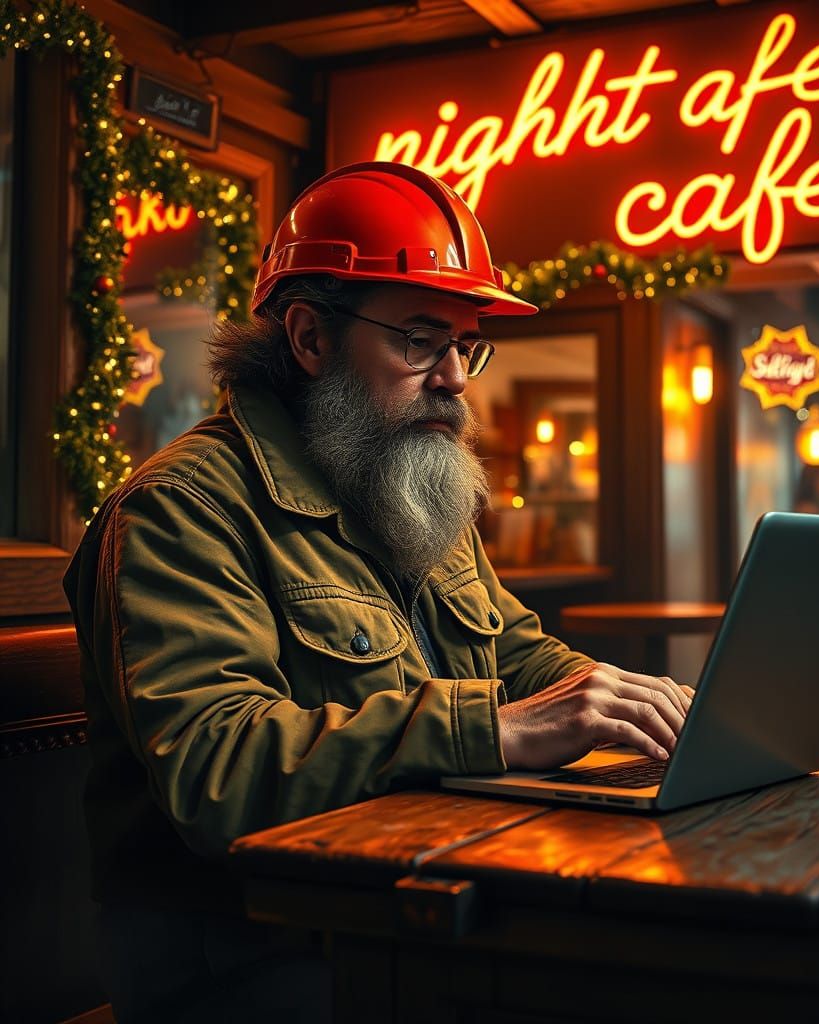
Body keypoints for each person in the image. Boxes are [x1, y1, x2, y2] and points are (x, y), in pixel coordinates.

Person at [62, 161, 694, 1023]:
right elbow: (219, 769)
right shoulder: (182, 509)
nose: (458, 379)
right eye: (420, 339)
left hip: (411, 909)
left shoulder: (408, 482)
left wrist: (633, 701)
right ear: (310, 338)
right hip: (245, 953)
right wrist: (495, 727)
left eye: (467, 345)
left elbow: (518, 655)